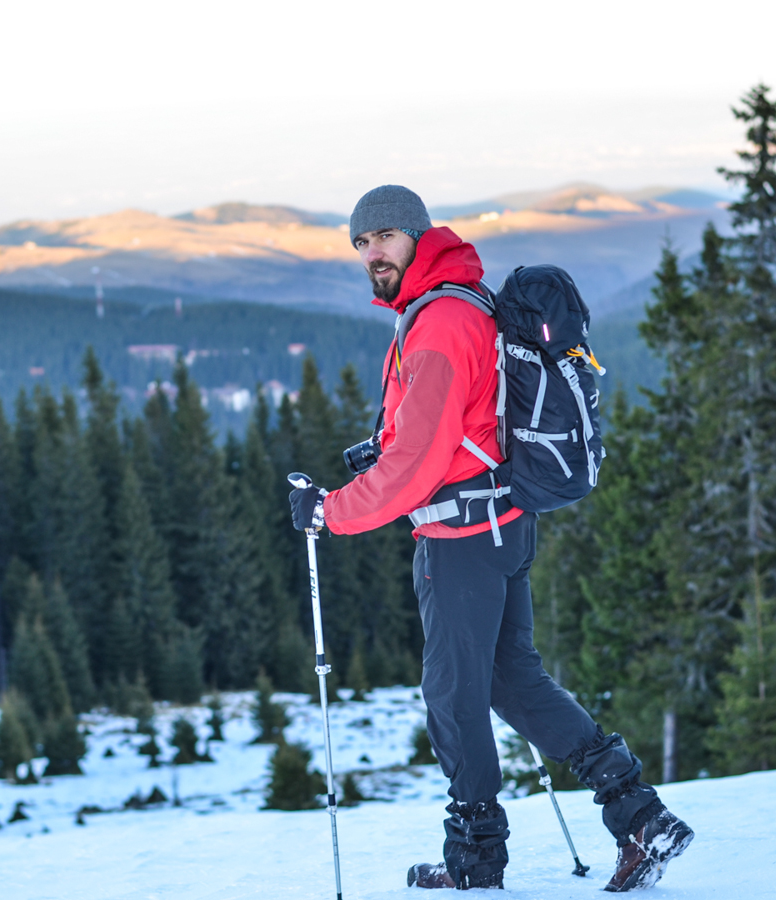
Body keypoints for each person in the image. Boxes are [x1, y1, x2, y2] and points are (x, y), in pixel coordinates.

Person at [288, 185, 693, 892]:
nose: (372, 252)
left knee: (453, 696)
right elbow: (453, 426)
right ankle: (639, 816)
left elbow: (414, 467)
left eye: (384, 236)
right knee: (513, 680)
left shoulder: (440, 320)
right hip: (505, 522)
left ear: (418, 235)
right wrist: (379, 454)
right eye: (360, 242)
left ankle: (475, 860)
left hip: (462, 537)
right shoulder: (462, 300)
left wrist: (332, 512)